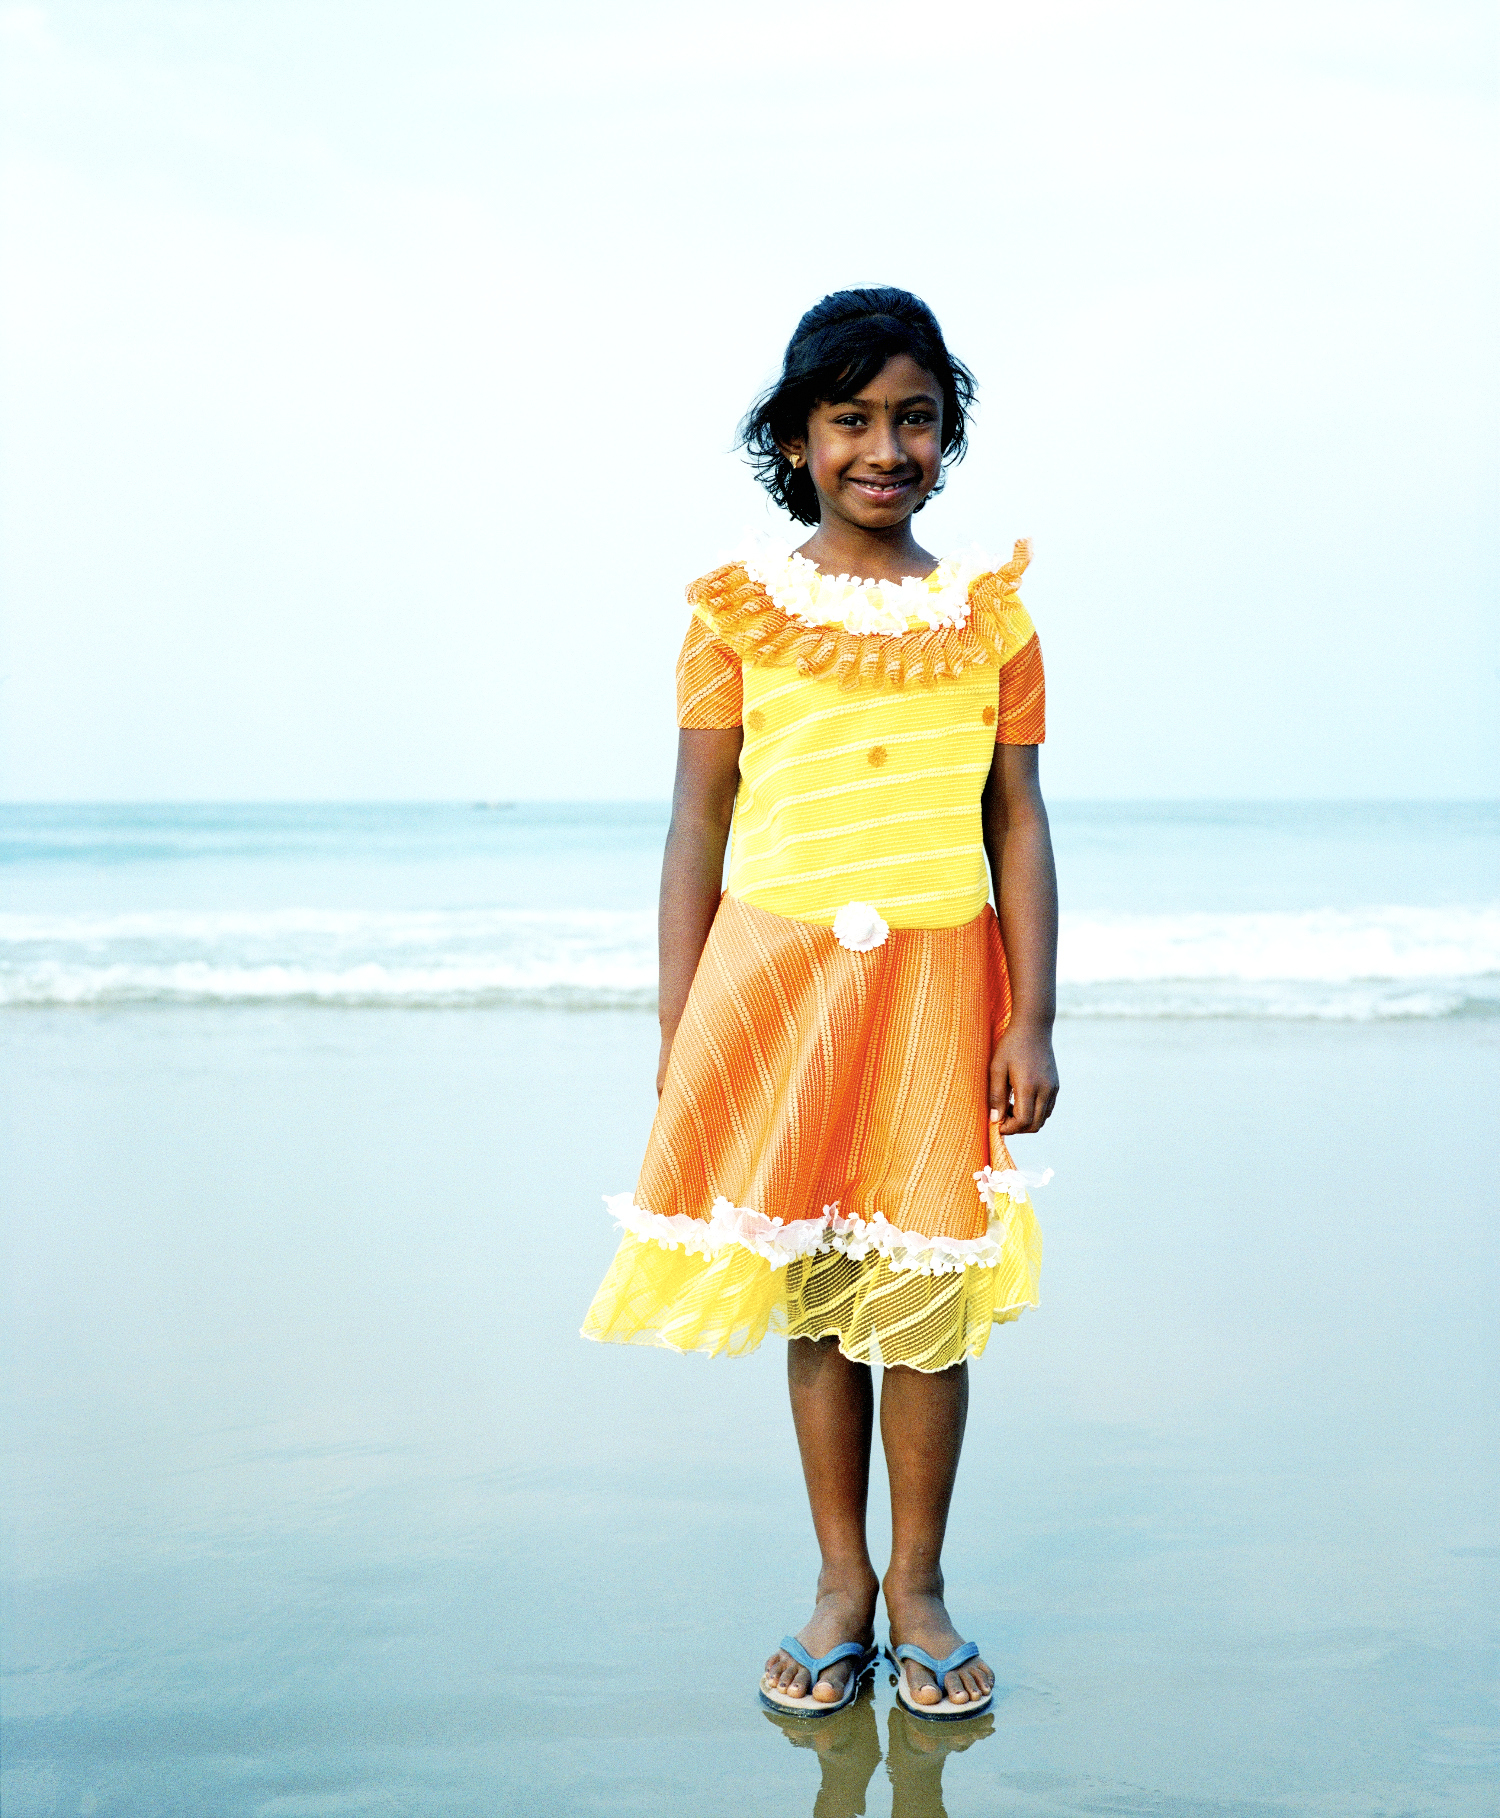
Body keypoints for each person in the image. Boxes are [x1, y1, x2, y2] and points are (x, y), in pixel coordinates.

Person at [582, 287, 1059, 1723]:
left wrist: (1032, 1014)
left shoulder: (990, 618)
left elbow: (1020, 823)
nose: (884, 445)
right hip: (778, 986)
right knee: (818, 1284)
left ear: (947, 436)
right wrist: (682, 1026)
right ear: (794, 440)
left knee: (924, 1293)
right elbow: (693, 825)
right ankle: (841, 1579)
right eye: (850, 418)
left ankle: (920, 1581)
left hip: (932, 985)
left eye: (914, 417)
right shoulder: (740, 611)